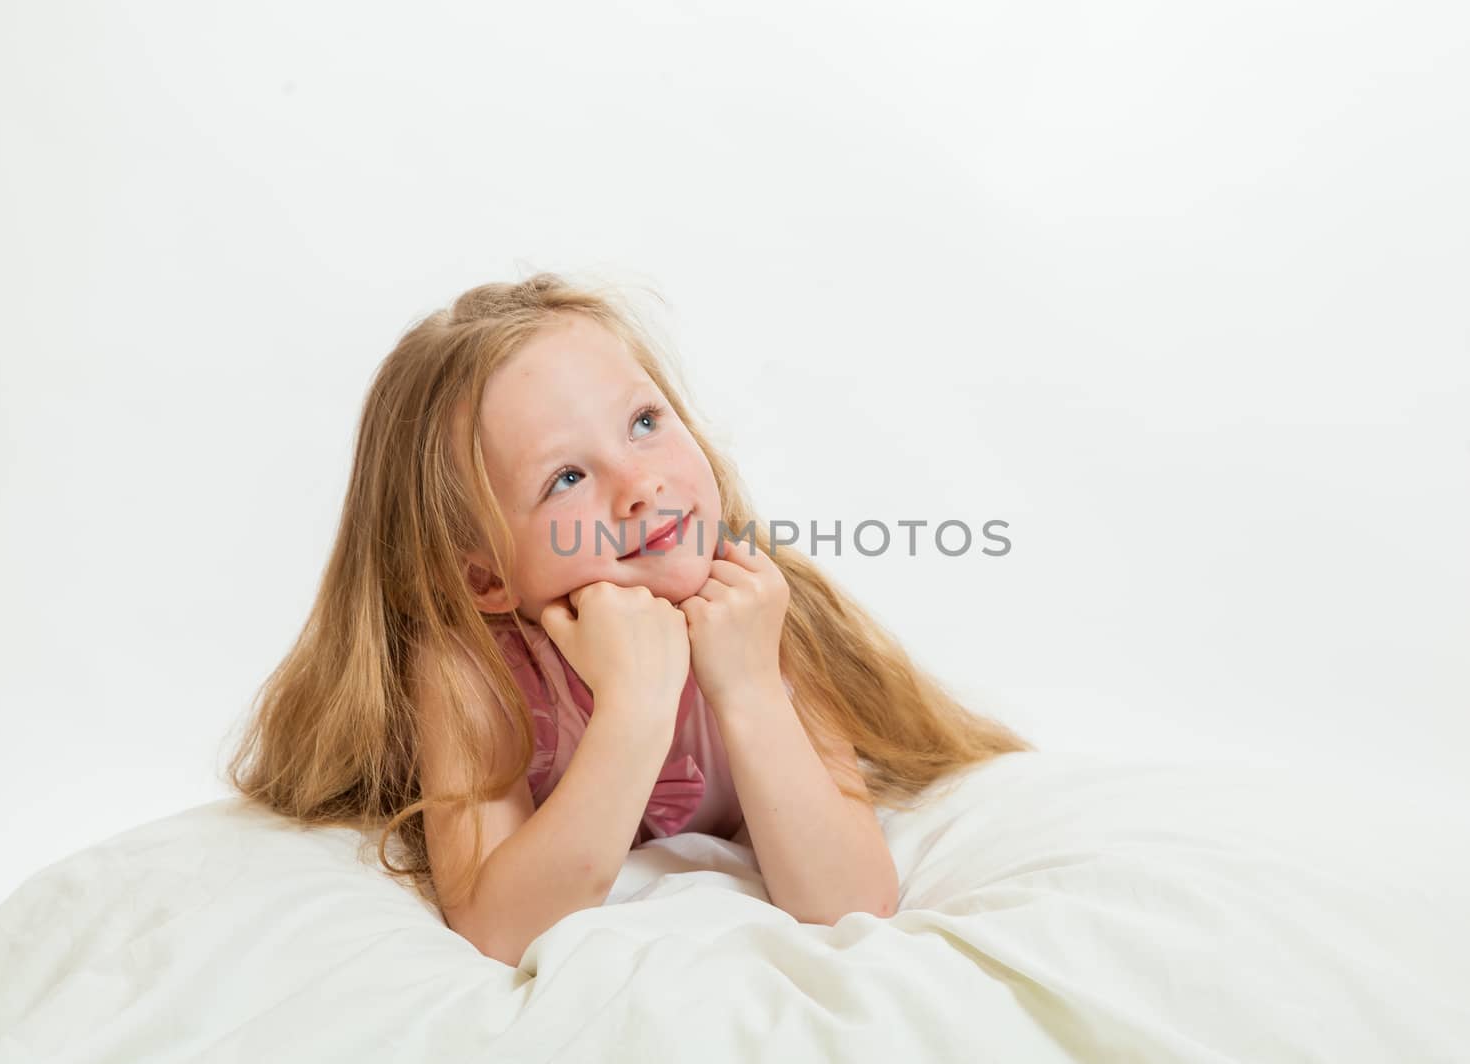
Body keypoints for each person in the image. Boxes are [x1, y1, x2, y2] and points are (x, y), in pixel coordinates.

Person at [224, 271, 1035, 968]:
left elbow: (850, 900)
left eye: (646, 423)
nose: (639, 484)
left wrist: (749, 687)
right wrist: (635, 709)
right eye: (567, 476)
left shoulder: (760, 609)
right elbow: (501, 929)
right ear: (483, 574)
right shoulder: (473, 668)